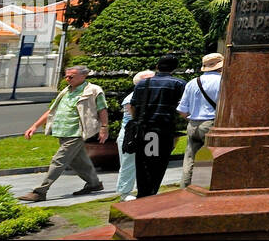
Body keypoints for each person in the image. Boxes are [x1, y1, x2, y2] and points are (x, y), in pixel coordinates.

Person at [19, 65, 109, 202]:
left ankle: (40, 191)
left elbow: (102, 109)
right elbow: (52, 111)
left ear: (83, 76)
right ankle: (94, 184)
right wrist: (35, 126)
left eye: (71, 76)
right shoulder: (66, 91)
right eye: (66, 76)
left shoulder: (93, 90)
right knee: (78, 161)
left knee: (59, 160)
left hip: (77, 132)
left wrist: (104, 127)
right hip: (62, 132)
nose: (67, 79)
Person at [129, 55, 186, 198]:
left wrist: (137, 120)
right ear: (174, 68)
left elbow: (133, 106)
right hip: (162, 129)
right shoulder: (178, 84)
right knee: (157, 164)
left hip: (145, 128)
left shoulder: (143, 84)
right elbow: (183, 107)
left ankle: (144, 192)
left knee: (144, 163)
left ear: (157, 66)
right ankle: (149, 194)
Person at [177, 53, 223, 187]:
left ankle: (185, 188)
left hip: (193, 124)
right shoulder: (223, 81)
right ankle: (209, 187)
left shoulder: (192, 82)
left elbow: (182, 110)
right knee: (215, 157)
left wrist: (192, 120)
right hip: (212, 123)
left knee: (190, 158)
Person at [114, 70, 155, 202]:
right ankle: (124, 193)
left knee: (150, 162)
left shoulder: (153, 96)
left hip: (149, 134)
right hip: (131, 135)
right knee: (128, 163)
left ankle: (146, 189)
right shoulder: (131, 98)